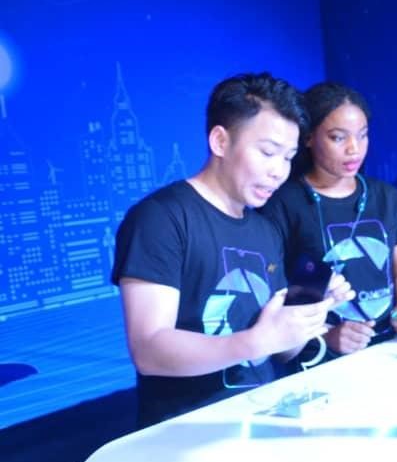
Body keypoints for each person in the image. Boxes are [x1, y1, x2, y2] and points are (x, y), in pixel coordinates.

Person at [112, 73, 353, 428]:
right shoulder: (161, 218)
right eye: (267, 152)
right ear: (220, 141)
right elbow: (149, 349)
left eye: (288, 157)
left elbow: (278, 349)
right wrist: (252, 343)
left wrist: (311, 312)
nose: (279, 171)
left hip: (264, 420)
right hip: (185, 433)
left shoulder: (265, 229)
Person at [261, 82, 397, 357]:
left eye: (363, 135)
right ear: (308, 137)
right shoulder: (282, 203)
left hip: (390, 347)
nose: (354, 149)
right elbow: (273, 294)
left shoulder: (386, 196)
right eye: (338, 138)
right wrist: (326, 334)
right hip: (318, 359)